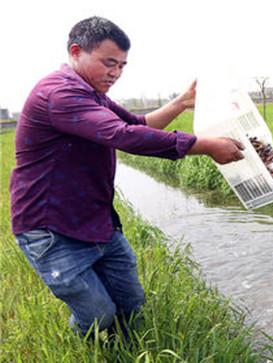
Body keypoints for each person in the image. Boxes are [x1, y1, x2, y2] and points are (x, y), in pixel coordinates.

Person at [9, 16, 244, 338]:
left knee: (131, 303)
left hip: (95, 219)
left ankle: (126, 349)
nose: (115, 73)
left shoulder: (92, 93)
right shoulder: (60, 94)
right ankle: (86, 348)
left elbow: (137, 124)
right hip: (51, 227)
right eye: (108, 63)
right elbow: (123, 136)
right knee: (97, 315)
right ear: (76, 51)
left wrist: (180, 104)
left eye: (121, 66)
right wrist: (205, 146)